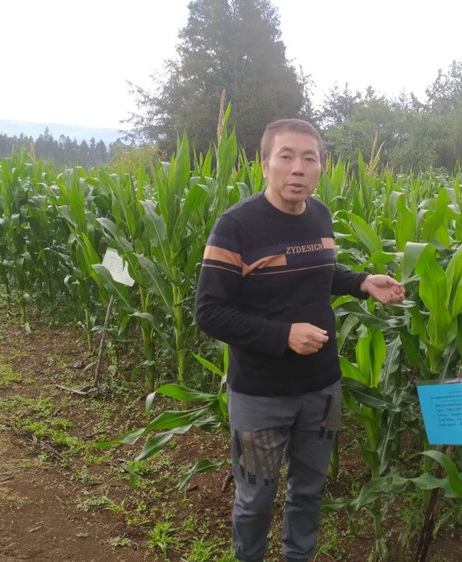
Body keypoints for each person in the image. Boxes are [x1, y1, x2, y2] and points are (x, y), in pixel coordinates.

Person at [194, 118, 405, 562]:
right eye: (286, 156)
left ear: (321, 167)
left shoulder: (320, 215)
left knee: (309, 491)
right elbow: (209, 312)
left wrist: (361, 281)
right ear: (264, 164)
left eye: (310, 159)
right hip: (260, 394)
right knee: (255, 498)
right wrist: (283, 335)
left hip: (321, 388)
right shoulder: (236, 227)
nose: (298, 168)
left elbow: (318, 272)